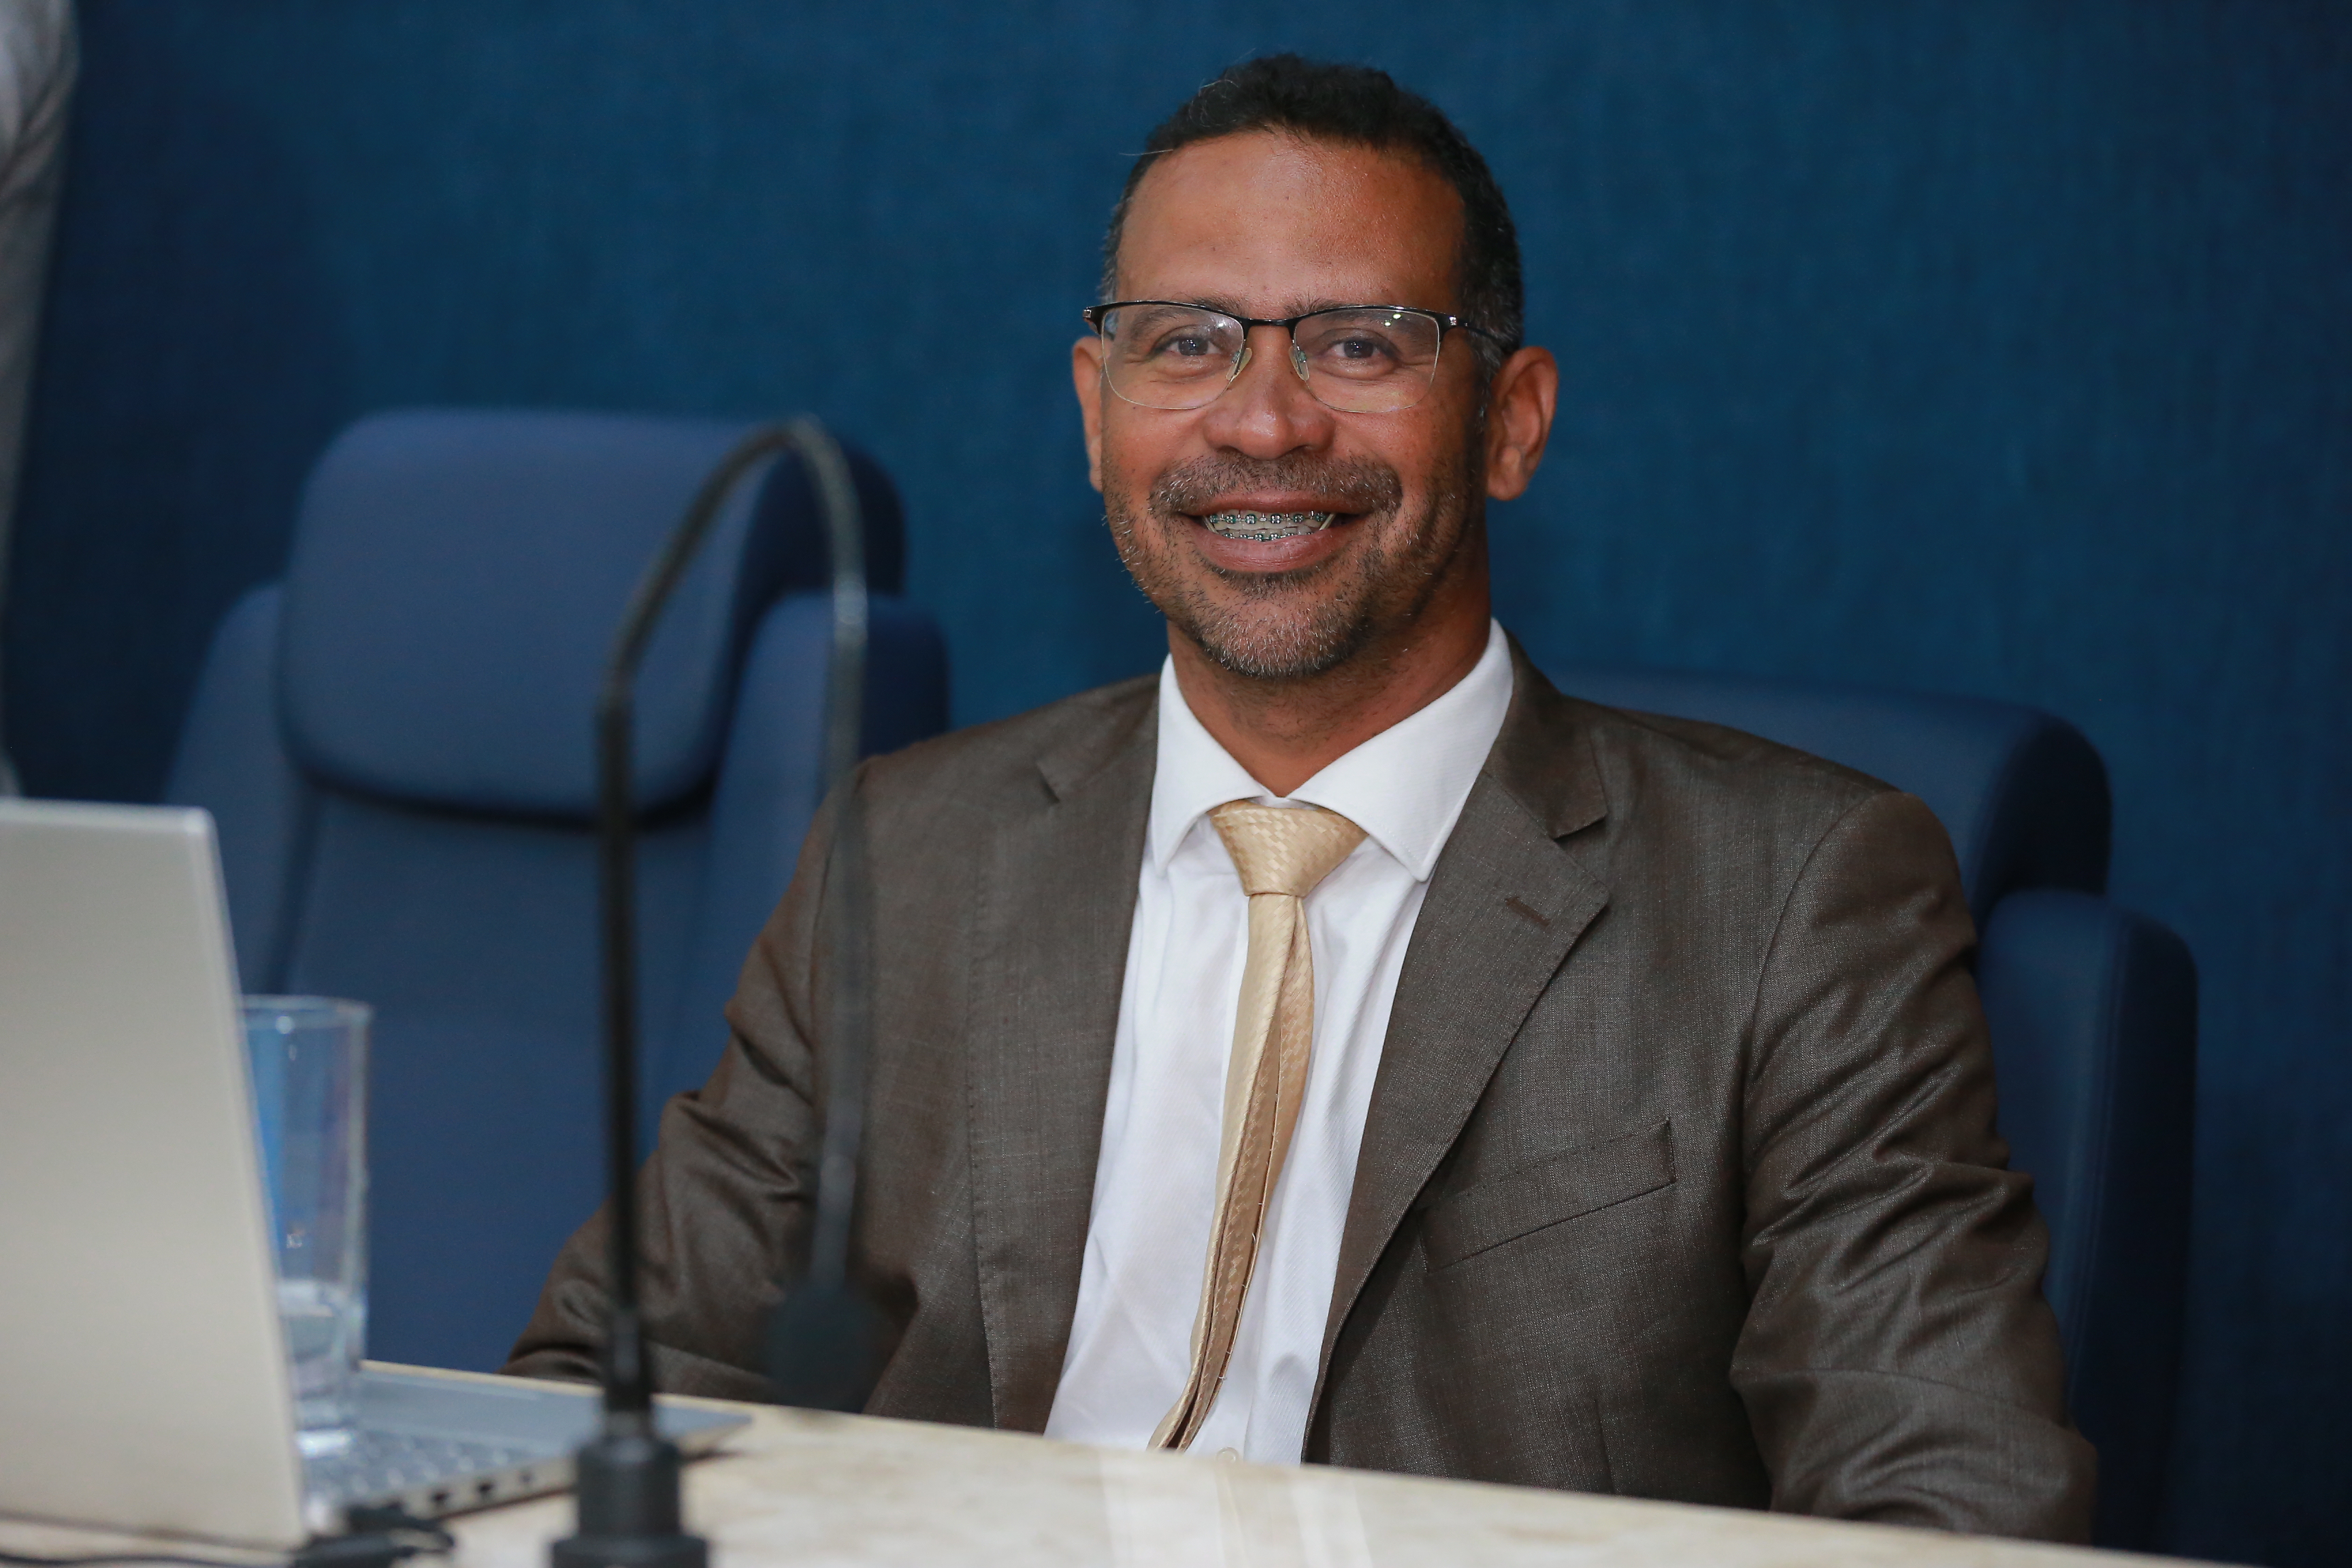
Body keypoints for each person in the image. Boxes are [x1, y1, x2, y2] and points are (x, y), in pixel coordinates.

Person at [510, 55, 2094, 1541]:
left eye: (1360, 343)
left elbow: (1950, 1508)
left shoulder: (1799, 898)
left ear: (1513, 421)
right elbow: (606, 1395)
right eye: (1187, 342)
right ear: (1096, 412)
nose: (1263, 422)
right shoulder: (910, 850)